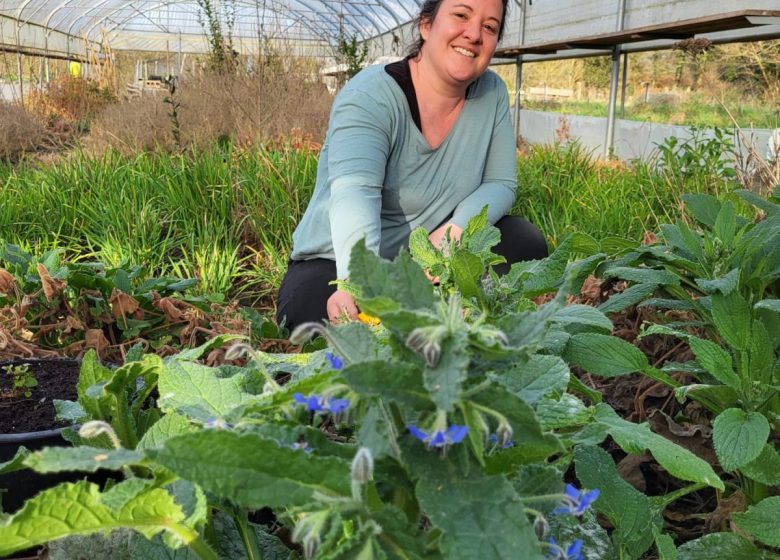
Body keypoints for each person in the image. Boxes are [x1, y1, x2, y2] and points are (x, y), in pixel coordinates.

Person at [276, 0, 547, 330]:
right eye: (461, 15)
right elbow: (355, 193)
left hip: (430, 255)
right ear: (426, 25)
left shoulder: (490, 94)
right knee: (311, 320)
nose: (474, 34)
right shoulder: (372, 95)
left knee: (524, 242)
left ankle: (448, 321)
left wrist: (453, 234)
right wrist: (358, 282)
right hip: (339, 258)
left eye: (489, 27)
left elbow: (501, 183)